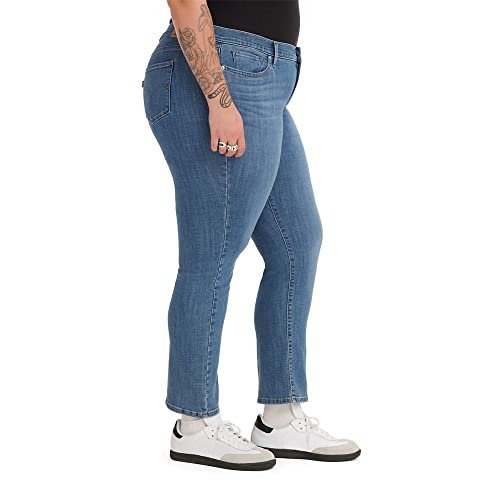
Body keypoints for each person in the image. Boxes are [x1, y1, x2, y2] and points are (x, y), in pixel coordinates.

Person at [143, 0, 360, 471]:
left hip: (266, 75)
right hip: (219, 73)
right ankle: (194, 423)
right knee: (214, 252)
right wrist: (219, 99)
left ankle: (280, 415)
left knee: (298, 242)